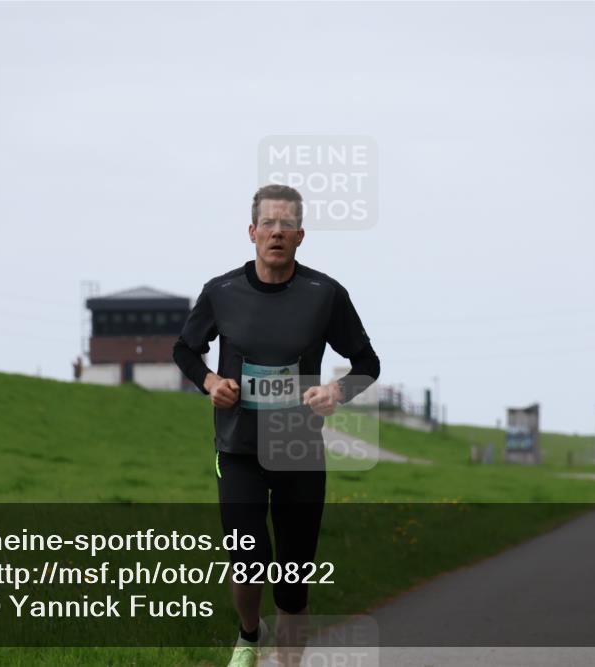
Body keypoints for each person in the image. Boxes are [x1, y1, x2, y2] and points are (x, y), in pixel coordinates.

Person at [173, 184, 380, 667]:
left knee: (292, 583)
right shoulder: (222, 292)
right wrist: (209, 381)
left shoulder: (325, 295)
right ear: (252, 232)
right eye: (268, 223)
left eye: (287, 224)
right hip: (239, 449)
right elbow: (185, 349)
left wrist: (336, 392)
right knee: (247, 562)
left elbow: (367, 363)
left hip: (298, 452)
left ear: (301, 235)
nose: (277, 232)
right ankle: (249, 634)